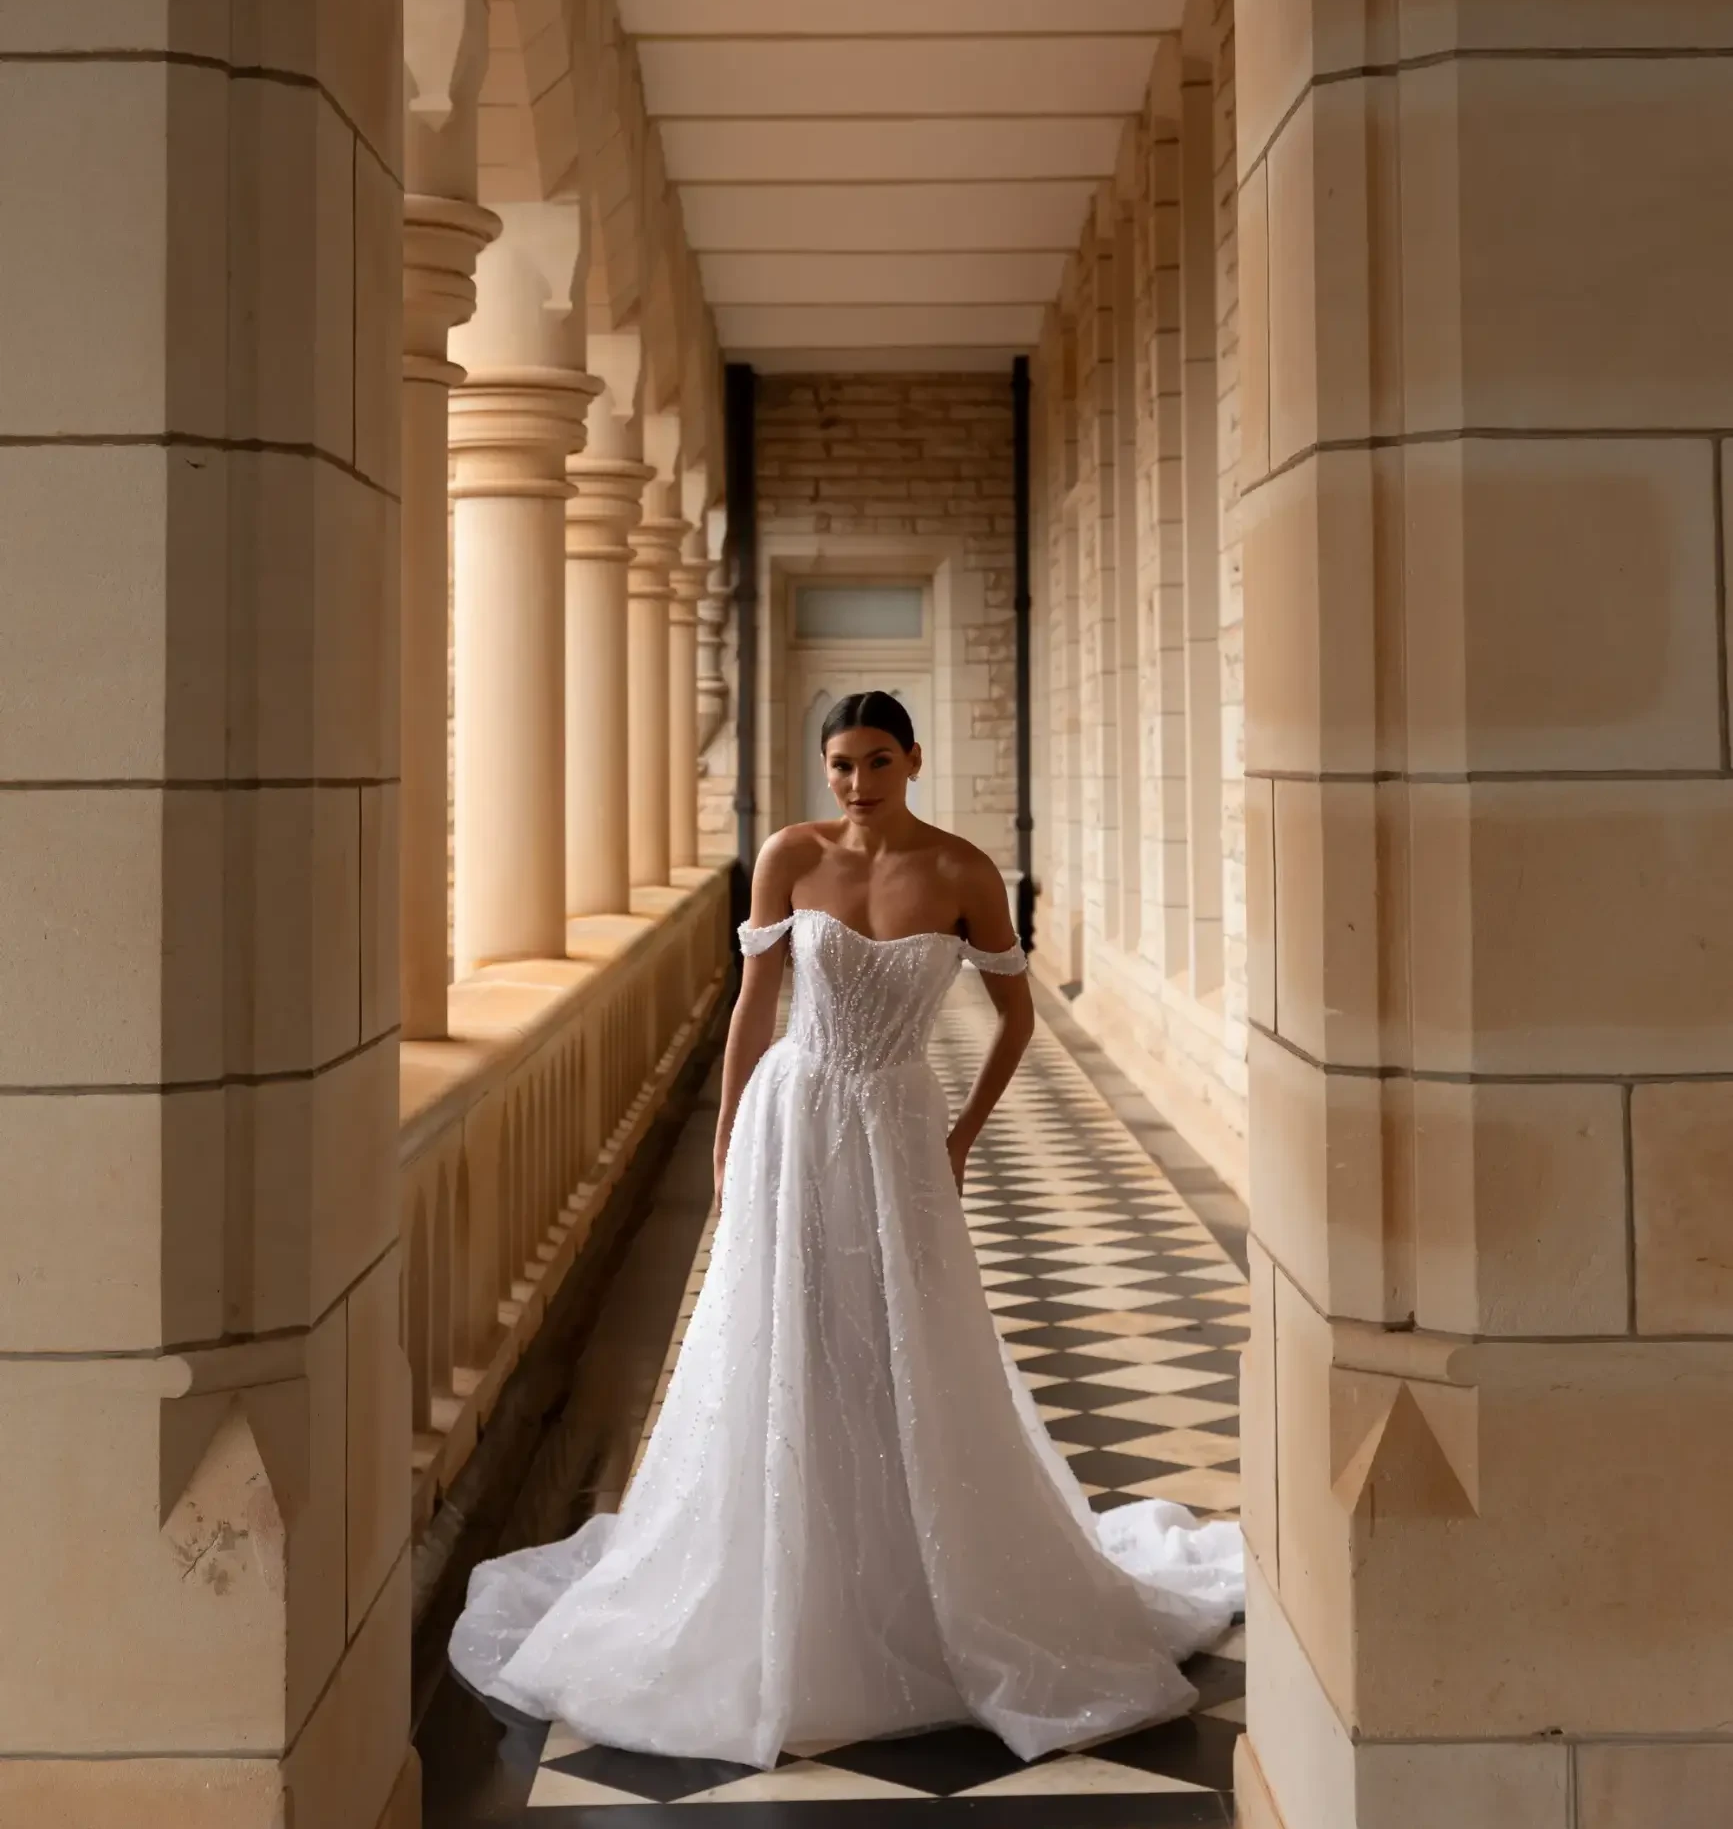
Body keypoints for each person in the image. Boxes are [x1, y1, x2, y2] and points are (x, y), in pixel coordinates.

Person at [448, 689, 1243, 1766]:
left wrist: (960, 1133)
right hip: (797, 1108)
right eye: (839, 763)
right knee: (790, 1324)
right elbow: (754, 1000)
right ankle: (786, 1568)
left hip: (901, 1124)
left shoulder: (964, 871)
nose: (856, 783)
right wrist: (728, 1131)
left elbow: (1016, 1015)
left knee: (904, 1332)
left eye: (875, 760)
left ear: (913, 757)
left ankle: (916, 1575)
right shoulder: (792, 852)